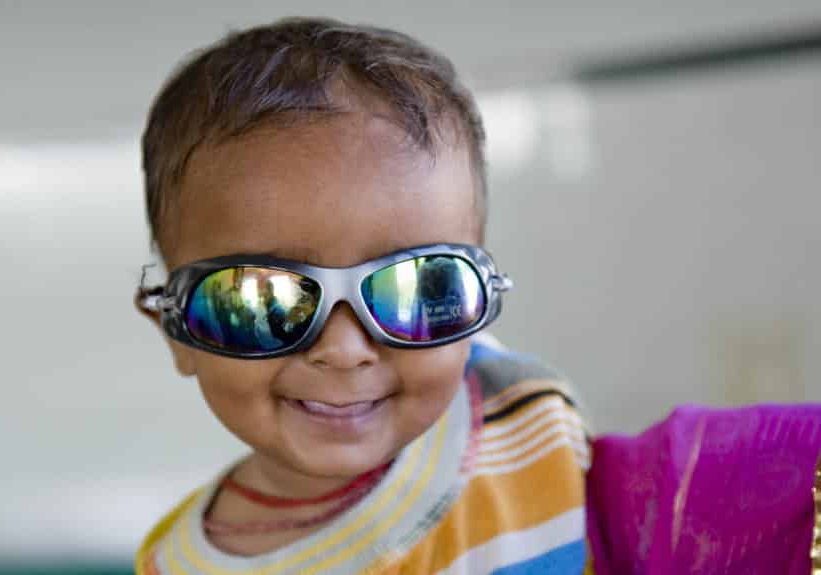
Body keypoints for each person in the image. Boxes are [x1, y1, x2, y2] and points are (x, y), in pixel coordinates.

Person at [133, 17, 820, 574]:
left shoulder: (515, 433)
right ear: (173, 328)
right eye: (260, 302)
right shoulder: (178, 564)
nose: (344, 349)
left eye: (418, 287)